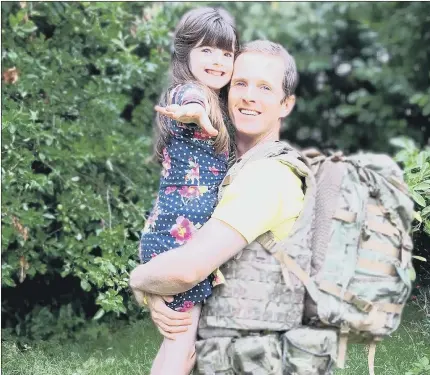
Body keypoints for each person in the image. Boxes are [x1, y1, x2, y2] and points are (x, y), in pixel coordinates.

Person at [130, 40, 309, 375]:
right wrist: (160, 295)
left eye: (265, 87)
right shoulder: (227, 171)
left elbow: (184, 271)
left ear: (286, 104)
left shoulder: (266, 176)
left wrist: (140, 280)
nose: (249, 96)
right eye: (240, 83)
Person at [137, 7, 237, 375]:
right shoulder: (189, 92)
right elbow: (190, 100)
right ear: (185, 53)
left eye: (226, 53)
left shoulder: (218, 102)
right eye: (207, 50)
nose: (218, 60)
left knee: (176, 345)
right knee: (182, 351)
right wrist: (194, 112)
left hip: (176, 238)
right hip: (178, 242)